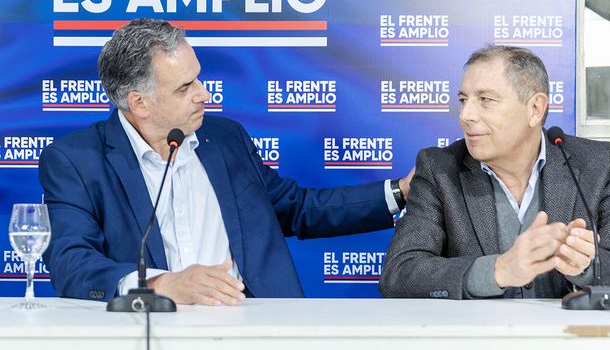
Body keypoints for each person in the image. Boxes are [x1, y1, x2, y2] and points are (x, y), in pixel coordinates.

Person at [39, 18, 412, 306]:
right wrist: (161, 285)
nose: (203, 94)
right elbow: (71, 263)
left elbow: (297, 209)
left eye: (198, 79)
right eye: (185, 88)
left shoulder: (226, 138)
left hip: (255, 324)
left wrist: (399, 191)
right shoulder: (76, 161)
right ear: (139, 103)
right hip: (152, 329)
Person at [379, 46, 610, 299]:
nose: (465, 115)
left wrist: (587, 265)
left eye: (485, 99)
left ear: (535, 109)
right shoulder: (439, 169)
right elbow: (399, 274)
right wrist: (496, 271)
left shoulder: (595, 164)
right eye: (463, 100)